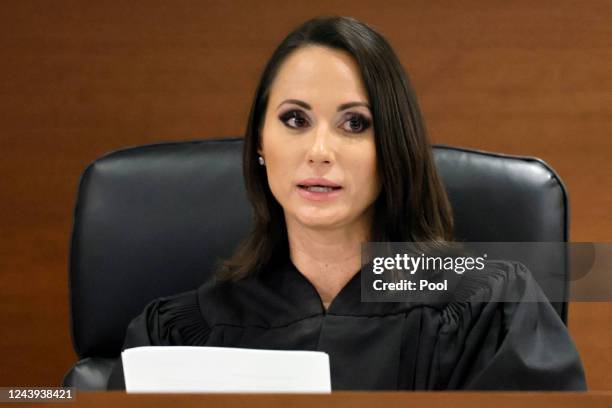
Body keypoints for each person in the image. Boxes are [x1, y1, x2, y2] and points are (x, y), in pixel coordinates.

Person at [107, 15, 586, 390]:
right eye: (295, 119)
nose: (319, 151)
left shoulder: (487, 309)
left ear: (393, 148)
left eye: (355, 124)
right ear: (259, 142)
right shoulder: (175, 333)